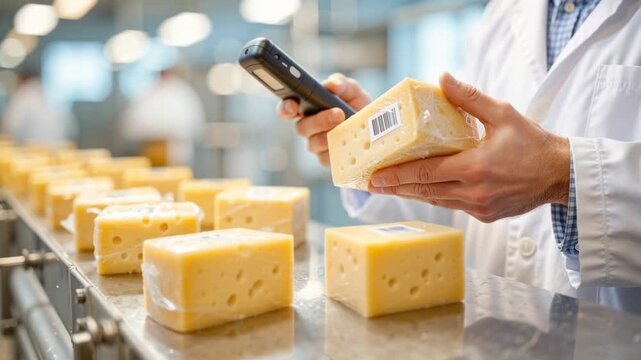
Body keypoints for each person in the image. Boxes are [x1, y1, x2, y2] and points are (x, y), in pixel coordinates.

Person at [278, 0, 641, 315]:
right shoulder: (500, 15)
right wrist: (377, 149)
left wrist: (564, 174)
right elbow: (461, 187)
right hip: (491, 330)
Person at [120, 68, 205, 166]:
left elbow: (194, 126)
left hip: (176, 149)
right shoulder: (148, 94)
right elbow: (132, 125)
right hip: (150, 150)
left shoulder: (183, 95)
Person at [2, 71, 76, 143]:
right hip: (61, 147)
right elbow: (71, 129)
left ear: (22, 80)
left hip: (31, 150)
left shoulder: (23, 95)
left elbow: (12, 127)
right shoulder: (53, 93)